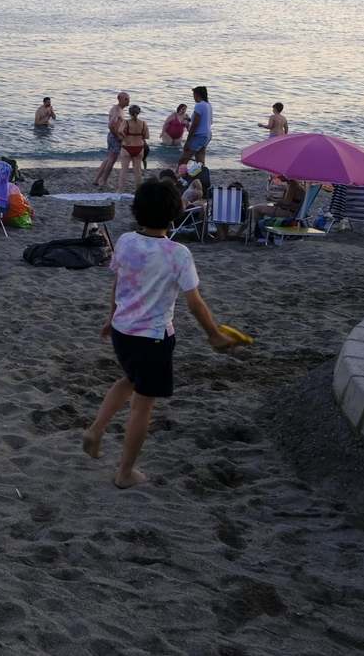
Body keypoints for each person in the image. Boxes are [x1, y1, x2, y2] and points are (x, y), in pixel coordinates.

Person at [82, 180, 234, 489]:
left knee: (129, 380)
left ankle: (96, 430)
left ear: (137, 211)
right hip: (153, 338)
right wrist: (214, 334)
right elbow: (195, 303)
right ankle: (125, 473)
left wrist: (112, 317)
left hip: (123, 332)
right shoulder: (178, 253)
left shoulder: (125, 241)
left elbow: (119, 283)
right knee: (142, 405)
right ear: (175, 214)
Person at [94, 92, 130, 186]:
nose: (128, 101)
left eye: (128, 99)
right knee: (112, 160)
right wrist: (117, 135)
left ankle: (97, 179)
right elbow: (111, 124)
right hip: (114, 137)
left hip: (112, 135)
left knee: (109, 158)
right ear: (120, 100)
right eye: (126, 99)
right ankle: (104, 181)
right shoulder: (118, 110)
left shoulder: (117, 109)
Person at [117, 105, 149, 193]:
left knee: (124, 170)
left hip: (127, 147)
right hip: (139, 147)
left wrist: (125, 137)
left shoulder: (126, 122)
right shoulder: (143, 123)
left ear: (129, 112)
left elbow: (120, 131)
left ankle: (121, 189)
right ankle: (138, 189)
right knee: (137, 170)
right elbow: (147, 136)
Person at [180, 86, 212, 167]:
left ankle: (179, 178)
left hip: (199, 136)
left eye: (193, 95)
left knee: (182, 161)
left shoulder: (199, 106)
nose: (193, 97)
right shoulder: (208, 105)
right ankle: (202, 177)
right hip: (207, 135)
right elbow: (210, 122)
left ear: (197, 94)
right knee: (200, 162)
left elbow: (195, 124)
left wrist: (188, 141)